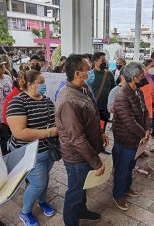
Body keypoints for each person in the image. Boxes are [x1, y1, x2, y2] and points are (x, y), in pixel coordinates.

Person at [55, 54, 108, 226]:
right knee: (75, 192)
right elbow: (77, 139)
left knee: (82, 188)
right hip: (77, 156)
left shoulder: (83, 89)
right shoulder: (69, 100)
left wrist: (100, 132)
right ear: (78, 74)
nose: (91, 72)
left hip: (85, 153)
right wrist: (96, 162)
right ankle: (71, 220)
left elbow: (91, 115)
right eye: (88, 70)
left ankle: (82, 211)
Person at [6, 70, 56, 226]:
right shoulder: (17, 102)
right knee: (38, 184)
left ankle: (42, 202)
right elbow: (19, 133)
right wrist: (48, 132)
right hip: (30, 152)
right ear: (30, 84)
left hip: (48, 151)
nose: (43, 85)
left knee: (45, 178)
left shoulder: (46, 100)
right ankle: (25, 212)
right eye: (40, 82)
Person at [111, 62, 151, 210]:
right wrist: (143, 133)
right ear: (134, 77)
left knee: (130, 167)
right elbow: (129, 122)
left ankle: (126, 188)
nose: (143, 77)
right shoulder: (122, 96)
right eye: (141, 75)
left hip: (136, 138)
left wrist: (147, 129)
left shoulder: (138, 91)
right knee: (122, 169)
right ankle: (118, 195)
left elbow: (146, 112)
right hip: (125, 139)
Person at [91, 52, 116, 131]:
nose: (104, 62)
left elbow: (114, 90)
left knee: (101, 130)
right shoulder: (89, 75)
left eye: (105, 60)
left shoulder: (109, 74)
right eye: (102, 60)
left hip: (104, 109)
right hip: (93, 109)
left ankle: (100, 141)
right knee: (93, 130)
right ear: (95, 61)